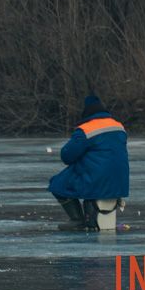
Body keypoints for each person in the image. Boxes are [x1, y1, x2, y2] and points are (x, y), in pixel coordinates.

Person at [48, 94, 129, 230]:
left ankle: (77, 219)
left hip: (97, 179)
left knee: (57, 183)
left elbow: (67, 156)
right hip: (120, 181)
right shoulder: (119, 126)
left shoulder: (86, 129)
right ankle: (93, 217)